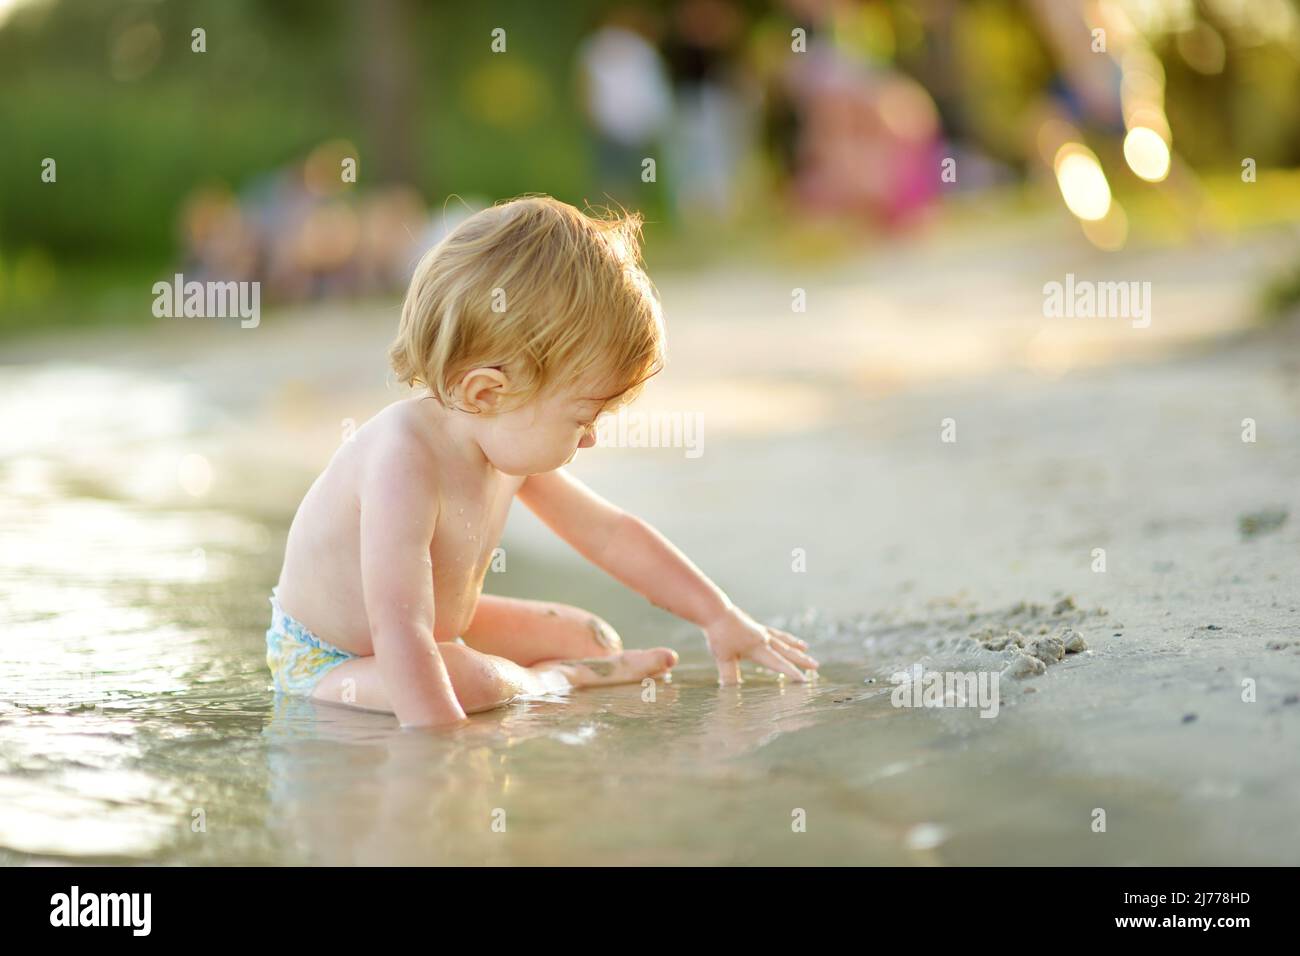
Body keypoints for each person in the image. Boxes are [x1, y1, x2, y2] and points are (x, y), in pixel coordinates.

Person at [266, 195, 819, 728]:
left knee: (593, 639)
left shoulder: (502, 441)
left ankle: (568, 668)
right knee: (468, 680)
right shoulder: (402, 460)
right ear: (487, 392)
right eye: (581, 419)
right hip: (331, 663)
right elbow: (401, 631)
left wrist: (718, 615)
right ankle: (552, 683)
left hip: (430, 629)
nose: (591, 440)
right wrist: (439, 759)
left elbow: (609, 535)